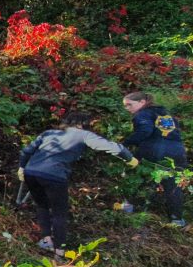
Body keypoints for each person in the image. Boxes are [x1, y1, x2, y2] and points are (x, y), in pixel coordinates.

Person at [18, 111, 137, 257]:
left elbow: (26, 151)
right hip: (55, 175)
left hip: (31, 172)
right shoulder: (84, 135)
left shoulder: (48, 133)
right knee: (59, 212)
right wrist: (129, 158)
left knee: (42, 205)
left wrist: (22, 167)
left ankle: (46, 240)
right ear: (82, 124)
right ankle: (59, 250)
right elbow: (113, 148)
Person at [121, 91, 187, 227]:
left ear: (142, 102)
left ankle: (128, 209)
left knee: (135, 176)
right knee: (173, 185)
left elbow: (144, 131)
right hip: (177, 152)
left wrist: (124, 143)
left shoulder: (143, 114)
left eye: (129, 105)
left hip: (154, 151)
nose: (127, 108)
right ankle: (177, 220)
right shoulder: (166, 114)